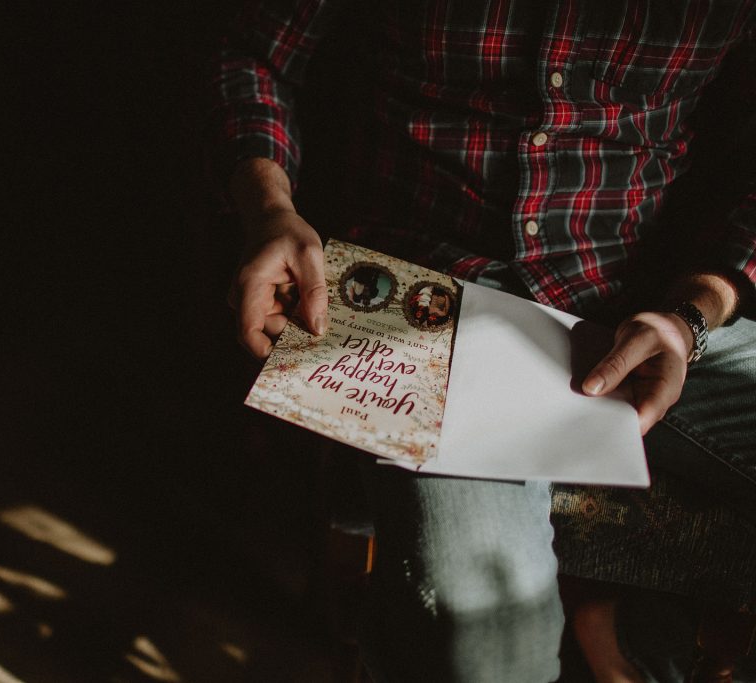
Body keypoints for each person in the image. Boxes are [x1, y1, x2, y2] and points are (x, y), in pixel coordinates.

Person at [210, 1, 756, 681]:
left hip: (644, 299)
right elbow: (255, 53)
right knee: (489, 637)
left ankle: (638, 633)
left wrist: (696, 309)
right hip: (425, 301)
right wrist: (270, 209)